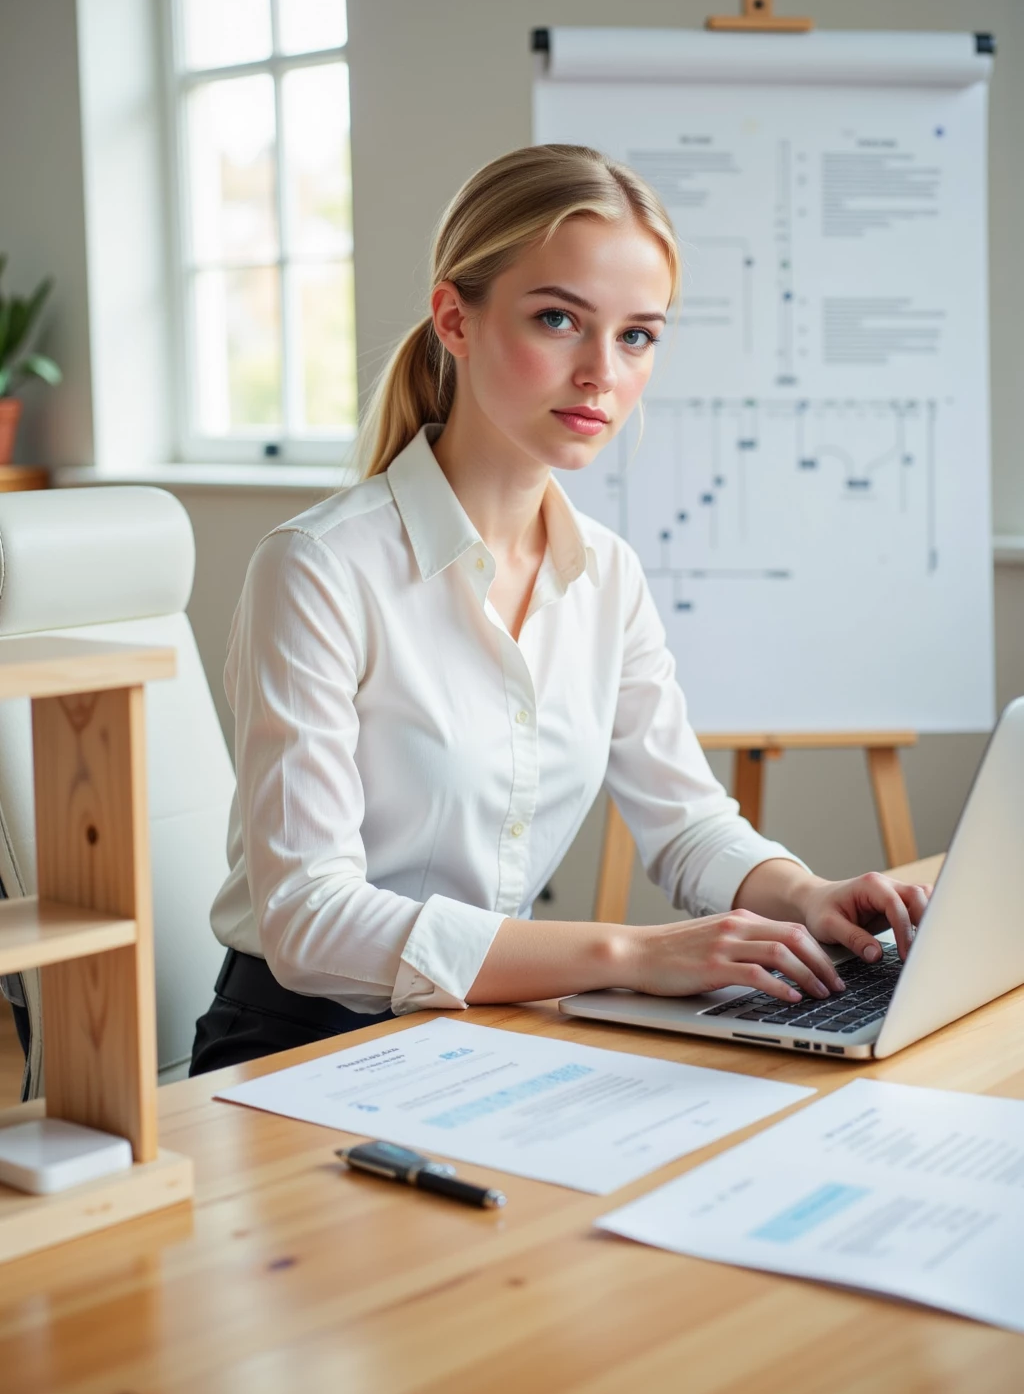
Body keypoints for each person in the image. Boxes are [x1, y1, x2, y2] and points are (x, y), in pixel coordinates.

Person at [190, 144, 931, 1074]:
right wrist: (634, 955)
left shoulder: (606, 575)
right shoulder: (319, 568)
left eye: (637, 336)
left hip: (484, 1032)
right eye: (557, 320)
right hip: (300, 1042)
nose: (601, 374)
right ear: (454, 318)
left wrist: (803, 892)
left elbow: (686, 819)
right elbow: (309, 919)